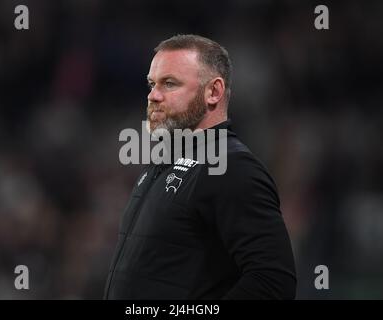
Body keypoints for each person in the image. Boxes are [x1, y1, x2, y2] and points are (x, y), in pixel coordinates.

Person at [104, 34, 296, 299]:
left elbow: (273, 281)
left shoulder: (232, 167)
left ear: (213, 92)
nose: (153, 96)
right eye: (151, 84)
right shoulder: (160, 165)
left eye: (169, 84)